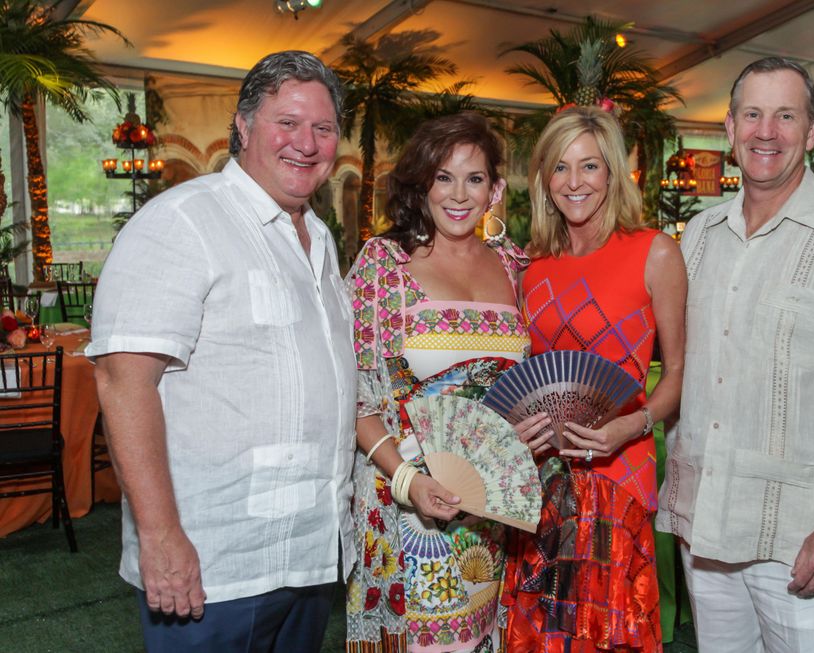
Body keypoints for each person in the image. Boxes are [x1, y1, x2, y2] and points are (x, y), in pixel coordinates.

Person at [88, 51, 355, 652]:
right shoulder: (181, 221)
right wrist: (159, 537)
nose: (306, 144)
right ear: (243, 124)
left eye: (323, 128)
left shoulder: (318, 240)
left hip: (308, 556)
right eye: (286, 123)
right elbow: (122, 382)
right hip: (216, 565)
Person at [656, 57, 814, 652]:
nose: (765, 131)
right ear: (728, 127)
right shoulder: (698, 234)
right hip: (706, 529)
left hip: (803, 540)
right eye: (752, 114)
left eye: (785, 116)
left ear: (813, 129)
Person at [500, 105, 687, 652]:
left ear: (612, 172)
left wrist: (632, 426)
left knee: (611, 635)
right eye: (560, 168)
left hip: (617, 476)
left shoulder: (654, 252)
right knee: (540, 635)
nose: (574, 182)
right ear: (543, 179)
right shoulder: (532, 263)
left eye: (589, 166)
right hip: (540, 479)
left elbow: (677, 374)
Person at [345, 112, 529, 652]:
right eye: (443, 177)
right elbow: (353, 392)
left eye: (474, 179)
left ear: (494, 189)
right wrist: (407, 481)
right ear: (422, 183)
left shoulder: (513, 265)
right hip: (401, 505)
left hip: (487, 513)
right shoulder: (385, 264)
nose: (458, 194)